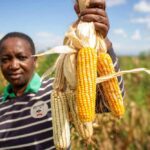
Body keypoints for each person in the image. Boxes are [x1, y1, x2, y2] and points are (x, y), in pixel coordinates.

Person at [0, 0, 124, 149]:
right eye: (5, 59)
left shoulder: (57, 90)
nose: (13, 65)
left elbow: (107, 103)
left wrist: (103, 41)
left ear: (35, 60)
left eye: (21, 57)